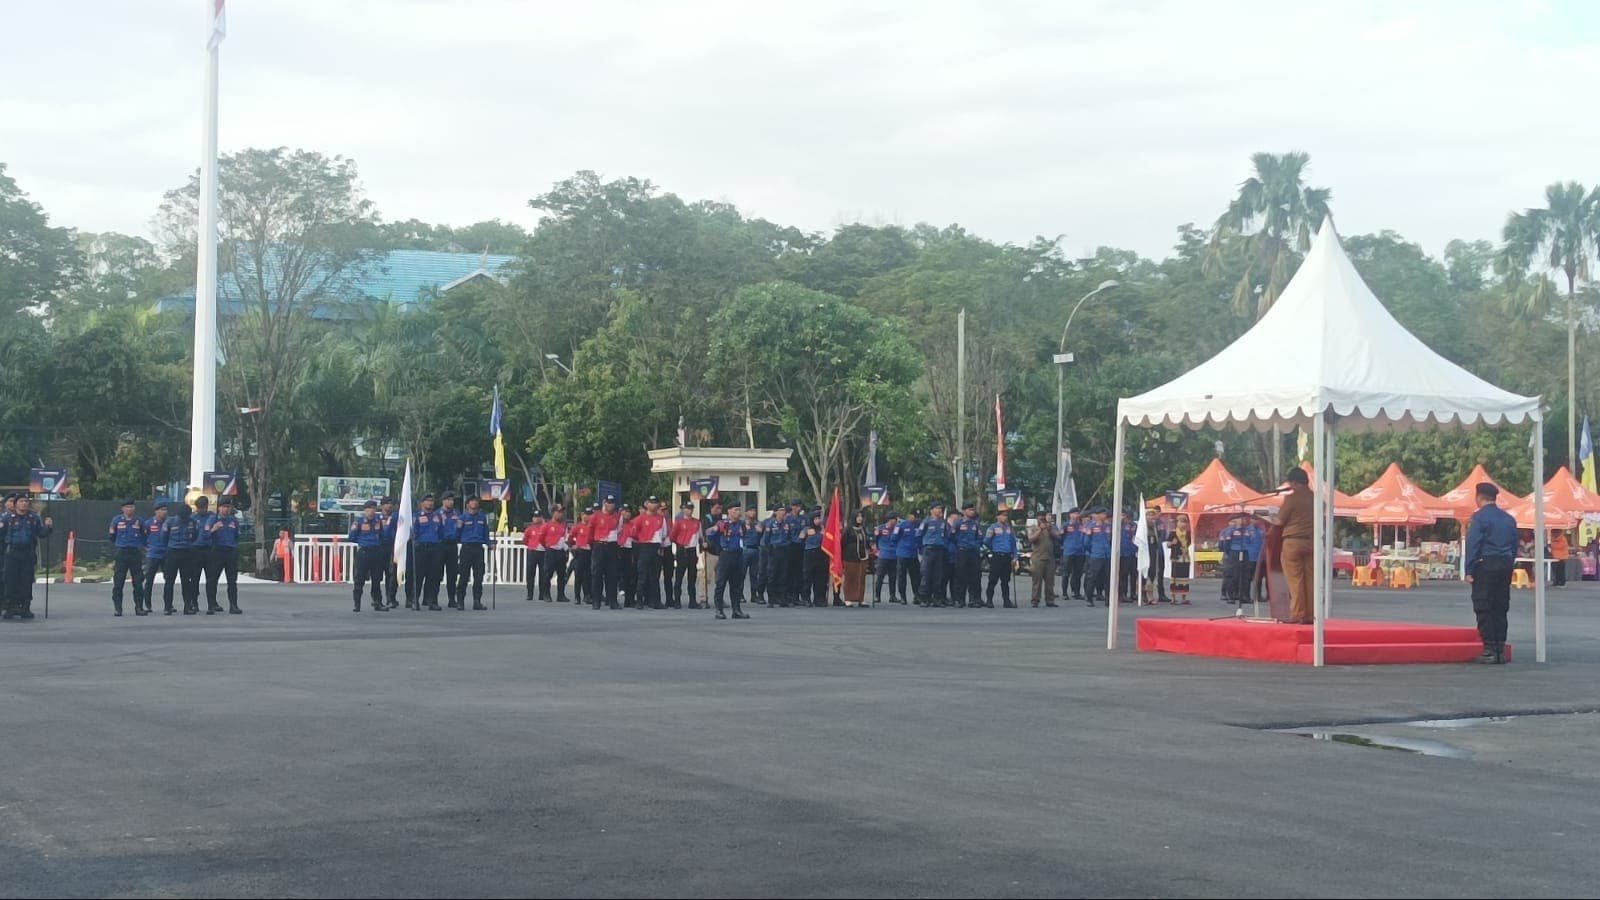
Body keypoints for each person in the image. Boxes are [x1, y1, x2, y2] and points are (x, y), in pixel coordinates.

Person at [1465, 483, 1517, 664]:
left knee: (1483, 605)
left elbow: (1473, 544)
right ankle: (1500, 649)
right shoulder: (1509, 519)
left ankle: (1489, 649)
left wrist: (1469, 569)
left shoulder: (1479, 518)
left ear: (1479, 497)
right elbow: (1514, 545)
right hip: (1505, 564)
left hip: (1486, 564)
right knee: (1501, 606)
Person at [1269, 468, 1316, 624]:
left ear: (1295, 483)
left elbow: (1279, 521)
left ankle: (1297, 614)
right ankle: (1310, 614)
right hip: (1311, 542)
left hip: (1293, 541)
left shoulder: (1292, 499)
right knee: (1310, 579)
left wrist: (1270, 517)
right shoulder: (1316, 499)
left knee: (1295, 579)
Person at [2, 496, 52, 620]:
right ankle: (10, 607)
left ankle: (25, 607)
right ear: (15, 504)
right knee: (10, 580)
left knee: (26, 581)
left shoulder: (33, 517)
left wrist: (48, 527)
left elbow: (41, 533)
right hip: (12, 553)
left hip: (28, 553)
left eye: (26, 501)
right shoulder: (7, 518)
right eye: (21, 501)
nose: (24, 504)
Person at [108, 499, 147, 617]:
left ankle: (139, 607)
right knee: (119, 582)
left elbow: (144, 536)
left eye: (132, 507)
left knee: (138, 582)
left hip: (135, 553)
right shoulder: (116, 520)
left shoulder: (139, 521)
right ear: (123, 508)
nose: (130, 509)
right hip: (122, 553)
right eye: (128, 507)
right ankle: (118, 608)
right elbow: (112, 536)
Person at [711, 503, 751, 620]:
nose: (738, 512)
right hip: (726, 554)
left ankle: (736, 610)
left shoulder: (741, 524)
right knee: (721, 583)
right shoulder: (722, 523)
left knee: (736, 585)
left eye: (739, 509)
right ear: (729, 511)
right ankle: (719, 610)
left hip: (738, 554)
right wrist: (718, 547)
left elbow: (744, 536)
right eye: (736, 510)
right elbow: (711, 535)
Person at [204, 496, 243, 614]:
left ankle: (233, 605)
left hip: (230, 552)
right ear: (219, 508)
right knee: (212, 579)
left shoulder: (233, 521)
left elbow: (237, 536)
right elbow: (205, 536)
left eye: (228, 507)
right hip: (217, 551)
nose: (226, 509)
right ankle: (211, 605)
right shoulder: (213, 519)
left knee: (232, 580)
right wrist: (213, 530)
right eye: (224, 507)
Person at [348, 500, 387, 612]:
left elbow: (382, 536)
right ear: (365, 510)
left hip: (376, 552)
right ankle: (357, 603)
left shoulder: (378, 521)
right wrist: (363, 542)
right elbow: (351, 537)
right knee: (359, 579)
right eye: (370, 508)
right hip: (364, 552)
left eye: (374, 508)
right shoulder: (359, 522)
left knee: (377, 579)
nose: (372, 511)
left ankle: (377, 602)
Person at [162, 502, 201, 615]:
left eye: (186, 516)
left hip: (187, 553)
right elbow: (163, 537)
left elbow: (195, 536)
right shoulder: (170, 522)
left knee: (186, 581)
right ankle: (167, 607)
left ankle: (187, 607)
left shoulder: (192, 522)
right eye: (182, 516)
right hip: (172, 553)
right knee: (169, 581)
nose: (184, 518)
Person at [630, 497, 669, 610]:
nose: (654, 505)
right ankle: (639, 601)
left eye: (656, 503)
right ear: (647, 504)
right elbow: (633, 533)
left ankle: (655, 601)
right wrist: (642, 539)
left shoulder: (661, 519)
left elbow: (664, 533)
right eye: (651, 503)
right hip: (644, 546)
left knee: (655, 576)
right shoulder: (640, 518)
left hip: (656, 547)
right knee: (642, 575)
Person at [588, 495, 623, 610]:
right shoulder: (596, 516)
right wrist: (593, 544)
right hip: (599, 545)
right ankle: (596, 601)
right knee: (597, 575)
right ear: (604, 503)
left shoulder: (617, 516)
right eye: (608, 503)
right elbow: (590, 531)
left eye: (612, 503)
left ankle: (612, 601)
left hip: (612, 546)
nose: (610, 505)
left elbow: (620, 531)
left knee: (612, 575)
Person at [455, 496, 490, 610]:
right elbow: (457, 533)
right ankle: (460, 601)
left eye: (476, 501)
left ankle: (477, 601)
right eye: (472, 501)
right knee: (464, 576)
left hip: (478, 549)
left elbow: (486, 533)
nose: (474, 503)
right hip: (467, 548)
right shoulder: (462, 518)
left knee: (479, 576)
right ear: (467, 504)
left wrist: (490, 544)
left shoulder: (482, 517)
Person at [412, 493, 445, 611]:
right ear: (422, 503)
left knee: (434, 576)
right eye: (427, 501)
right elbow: (413, 533)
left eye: (431, 501)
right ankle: (415, 600)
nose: (430, 503)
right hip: (421, 548)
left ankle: (432, 601)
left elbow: (441, 532)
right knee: (419, 576)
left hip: (435, 548)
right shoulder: (416, 517)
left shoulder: (438, 516)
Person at [191, 495, 221, 614]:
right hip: (196, 550)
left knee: (211, 578)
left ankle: (212, 603)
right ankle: (194, 602)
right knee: (194, 578)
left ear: (206, 507)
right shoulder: (193, 517)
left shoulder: (212, 517)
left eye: (202, 508)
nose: (200, 510)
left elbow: (211, 531)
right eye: (198, 508)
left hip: (209, 550)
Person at [669, 501, 702, 609]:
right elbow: (673, 536)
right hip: (682, 550)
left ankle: (692, 601)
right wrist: (680, 545)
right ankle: (677, 601)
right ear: (684, 510)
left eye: (691, 508)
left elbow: (700, 536)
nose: (689, 510)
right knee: (679, 576)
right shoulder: (679, 522)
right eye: (687, 508)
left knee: (692, 577)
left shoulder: (697, 522)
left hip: (692, 551)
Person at [983, 509, 1017, 608]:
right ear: (997, 517)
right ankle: (989, 600)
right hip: (997, 555)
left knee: (1005, 581)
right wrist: (992, 550)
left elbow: (1013, 543)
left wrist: (1015, 557)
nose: (1005, 517)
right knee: (993, 579)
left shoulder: (1009, 528)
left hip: (1007, 556)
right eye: (1002, 515)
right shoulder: (992, 528)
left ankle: (1006, 601)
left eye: (1006, 516)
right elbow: (986, 541)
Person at [143, 503, 172, 614]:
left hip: (166, 554)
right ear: (156, 511)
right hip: (153, 555)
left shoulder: (169, 523)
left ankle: (168, 604)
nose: (164, 512)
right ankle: (147, 605)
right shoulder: (148, 523)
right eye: (162, 510)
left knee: (169, 580)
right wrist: (149, 548)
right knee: (149, 580)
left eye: (165, 509)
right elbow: (143, 538)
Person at [919, 503, 949, 606]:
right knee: (926, 574)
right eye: (937, 508)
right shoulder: (926, 521)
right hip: (928, 549)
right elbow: (919, 535)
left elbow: (946, 535)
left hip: (939, 549)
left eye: (940, 508)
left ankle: (937, 599)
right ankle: (924, 599)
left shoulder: (943, 523)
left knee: (938, 575)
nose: (939, 510)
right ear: (931, 510)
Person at [955, 503, 983, 608]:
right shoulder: (958, 523)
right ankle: (960, 600)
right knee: (961, 576)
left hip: (973, 552)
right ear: (964, 511)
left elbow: (980, 537)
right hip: (962, 551)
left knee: (975, 576)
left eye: (973, 510)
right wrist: (959, 545)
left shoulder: (975, 524)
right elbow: (952, 535)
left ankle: (974, 599)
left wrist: (975, 545)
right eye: (970, 510)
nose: (972, 511)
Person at [1028, 513, 1059, 607]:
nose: (1042, 521)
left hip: (1050, 558)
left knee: (1050, 581)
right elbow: (1031, 539)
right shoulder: (1033, 528)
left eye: (1044, 518)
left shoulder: (1051, 527)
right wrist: (1040, 530)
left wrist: (1049, 529)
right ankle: (1035, 600)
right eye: (1040, 519)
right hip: (1038, 558)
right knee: (1037, 581)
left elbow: (1057, 536)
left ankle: (1050, 600)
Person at [541, 508, 571, 602]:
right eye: (559, 512)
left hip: (561, 552)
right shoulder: (547, 525)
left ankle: (561, 595)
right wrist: (548, 546)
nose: (561, 514)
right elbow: (541, 538)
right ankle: (546, 594)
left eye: (562, 512)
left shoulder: (563, 525)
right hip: (551, 551)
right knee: (547, 574)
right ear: (553, 513)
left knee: (562, 574)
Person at [842, 511, 870, 607]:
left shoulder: (863, 529)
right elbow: (843, 543)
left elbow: (867, 541)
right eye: (858, 516)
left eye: (861, 516)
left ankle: (860, 599)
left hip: (862, 558)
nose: (860, 518)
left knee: (861, 578)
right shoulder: (848, 529)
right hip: (850, 558)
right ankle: (848, 599)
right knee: (850, 578)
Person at [439, 492, 462, 608]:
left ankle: (452, 599)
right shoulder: (437, 514)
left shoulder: (457, 514)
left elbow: (460, 528)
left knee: (452, 574)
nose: (451, 502)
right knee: (437, 573)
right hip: (440, 545)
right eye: (448, 499)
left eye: (452, 500)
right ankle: (432, 599)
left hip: (452, 545)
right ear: (443, 501)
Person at [1084, 508, 1112, 606]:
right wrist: (1092, 551)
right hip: (1096, 555)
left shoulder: (1109, 526)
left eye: (1105, 514)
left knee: (1108, 578)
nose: (1104, 516)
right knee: (1092, 577)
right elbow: (1086, 542)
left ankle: (1108, 599)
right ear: (1098, 515)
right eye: (1102, 514)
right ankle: (1089, 598)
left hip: (1107, 555)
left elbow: (1111, 540)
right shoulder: (1091, 526)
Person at [1060, 508, 1088, 603]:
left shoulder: (1081, 525)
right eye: (1075, 513)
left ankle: (1076, 592)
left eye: (1077, 513)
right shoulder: (1066, 525)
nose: (1076, 515)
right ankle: (1064, 593)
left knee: (1078, 573)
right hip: (1069, 551)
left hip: (1080, 552)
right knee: (1066, 573)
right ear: (1070, 515)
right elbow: (1060, 536)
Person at [873, 511, 900, 604]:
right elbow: (875, 540)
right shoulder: (880, 528)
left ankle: (892, 596)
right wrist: (878, 550)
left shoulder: (898, 529)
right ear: (890, 520)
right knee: (880, 576)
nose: (896, 521)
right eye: (895, 519)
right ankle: (877, 596)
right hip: (883, 555)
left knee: (893, 577)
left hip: (894, 555)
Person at [379, 496, 401, 609]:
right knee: (377, 574)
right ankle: (377, 599)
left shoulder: (396, 517)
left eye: (391, 503)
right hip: (380, 547)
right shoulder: (377, 518)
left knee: (392, 574)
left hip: (393, 546)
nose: (389, 506)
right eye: (387, 503)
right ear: (382, 505)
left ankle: (391, 597)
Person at [896, 510, 922, 603]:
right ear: (910, 516)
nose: (916, 519)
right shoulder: (901, 525)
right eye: (914, 516)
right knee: (902, 577)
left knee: (915, 577)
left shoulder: (919, 525)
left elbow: (920, 539)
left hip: (913, 554)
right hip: (902, 554)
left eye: (917, 517)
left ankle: (917, 596)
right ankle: (903, 597)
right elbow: (894, 538)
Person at [569, 506, 593, 606]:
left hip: (589, 552)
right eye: (586, 515)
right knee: (578, 575)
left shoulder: (592, 527)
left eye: (590, 515)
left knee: (588, 576)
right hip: (580, 552)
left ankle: (587, 596)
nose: (588, 517)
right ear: (583, 515)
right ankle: (577, 597)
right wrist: (572, 546)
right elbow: (570, 537)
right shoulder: (578, 527)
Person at [1167, 517, 1192, 605]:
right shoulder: (1173, 533)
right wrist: (1172, 543)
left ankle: (1184, 597)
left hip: (1185, 557)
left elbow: (1189, 543)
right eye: (1181, 522)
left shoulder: (1188, 533)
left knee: (1184, 576)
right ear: (1177, 523)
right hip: (1176, 557)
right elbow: (1168, 544)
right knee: (1174, 577)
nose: (1183, 524)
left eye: (1184, 522)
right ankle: (1173, 598)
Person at [522, 510, 546, 602]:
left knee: (543, 574)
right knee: (530, 573)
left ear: (541, 518)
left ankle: (542, 594)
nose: (535, 518)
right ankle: (530, 594)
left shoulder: (544, 527)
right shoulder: (529, 529)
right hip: (532, 551)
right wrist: (531, 545)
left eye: (537, 517)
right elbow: (525, 540)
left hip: (542, 551)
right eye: (534, 517)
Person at [741, 505, 762, 605]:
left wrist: (754, 527)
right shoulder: (742, 523)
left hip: (755, 549)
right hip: (745, 549)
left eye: (754, 511)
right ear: (746, 513)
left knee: (754, 574)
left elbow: (760, 532)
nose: (752, 513)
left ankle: (754, 595)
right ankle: (740, 595)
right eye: (750, 511)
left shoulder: (758, 523)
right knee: (742, 574)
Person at [1118, 512, 1139, 603]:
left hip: (1133, 552)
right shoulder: (1119, 525)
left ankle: (1133, 593)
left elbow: (1136, 537)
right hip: (1123, 553)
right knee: (1124, 574)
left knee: (1134, 573)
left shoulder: (1134, 525)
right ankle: (1123, 594)